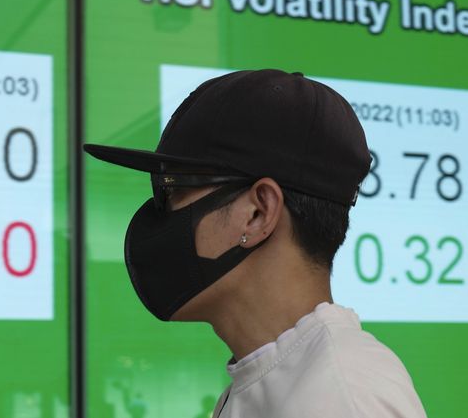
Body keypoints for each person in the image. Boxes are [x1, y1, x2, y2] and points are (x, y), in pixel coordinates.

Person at [84, 69, 427, 418]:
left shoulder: (343, 394)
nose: (162, 212)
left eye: (173, 189)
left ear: (258, 212)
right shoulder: (269, 380)